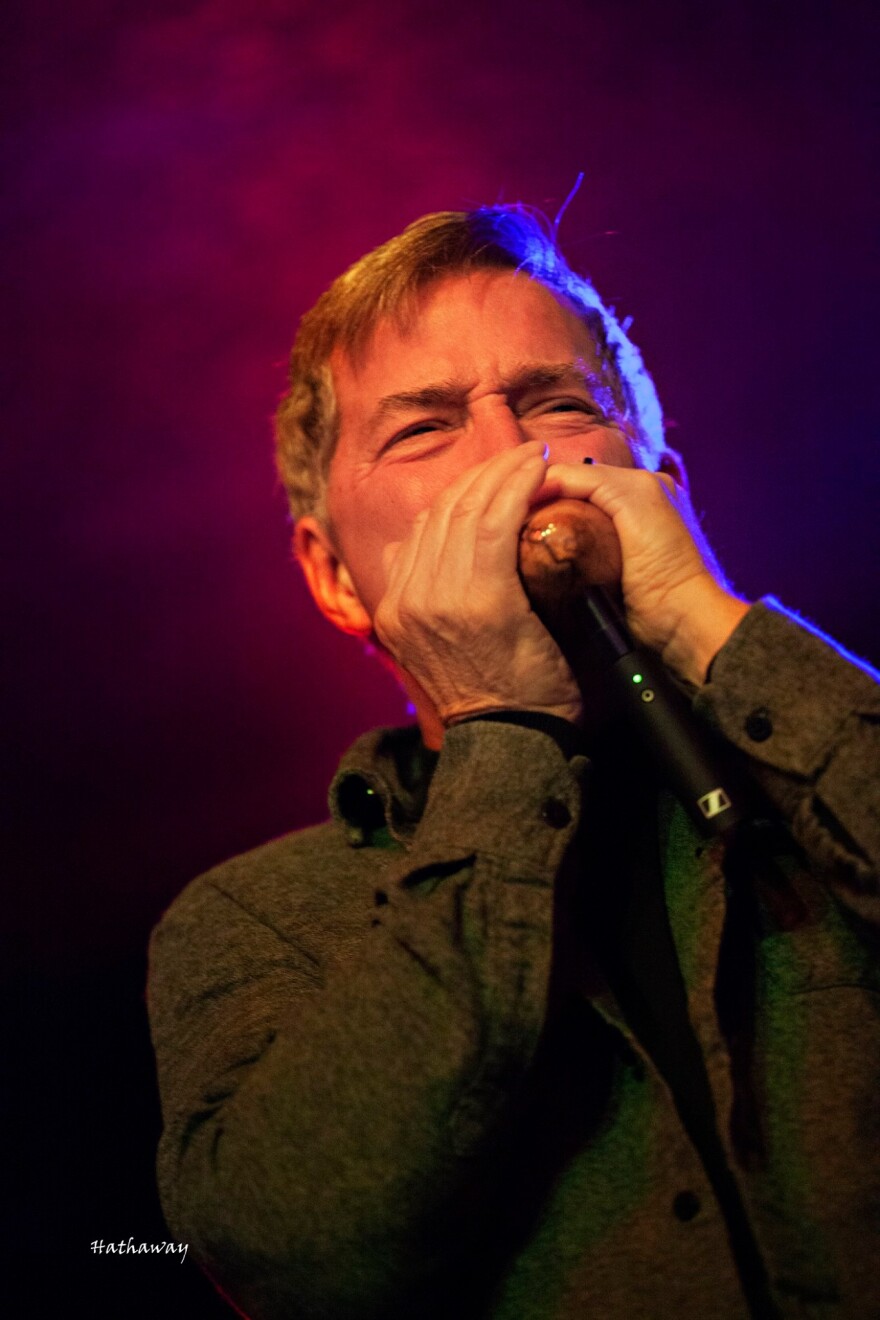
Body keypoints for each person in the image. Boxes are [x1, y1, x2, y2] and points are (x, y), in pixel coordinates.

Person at [148, 207, 880, 1319]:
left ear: (664, 485)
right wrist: (498, 721)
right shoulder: (254, 919)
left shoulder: (825, 747)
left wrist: (705, 623)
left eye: (558, 403)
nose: (514, 454)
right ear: (335, 574)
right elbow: (288, 1251)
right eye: (424, 428)